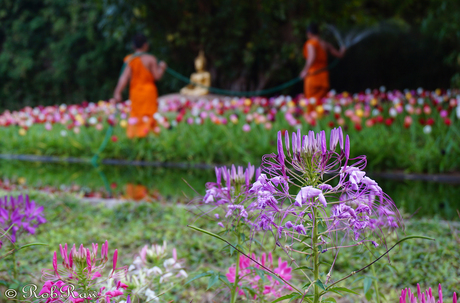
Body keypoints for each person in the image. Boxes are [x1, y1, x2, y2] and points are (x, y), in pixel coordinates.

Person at [113, 33, 167, 138]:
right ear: (146, 45)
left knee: (136, 116)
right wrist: (162, 68)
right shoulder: (151, 59)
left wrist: (117, 92)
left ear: (133, 46)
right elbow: (157, 76)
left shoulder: (130, 59)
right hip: (149, 92)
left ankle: (136, 138)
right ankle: (150, 137)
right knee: (149, 115)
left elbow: (124, 78)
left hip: (136, 92)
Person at [300, 23, 346, 106]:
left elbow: (311, 58)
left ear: (309, 34)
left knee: (311, 103)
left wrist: (304, 70)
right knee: (321, 103)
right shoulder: (325, 44)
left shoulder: (310, 43)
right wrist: (343, 49)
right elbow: (340, 55)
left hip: (313, 76)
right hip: (324, 77)